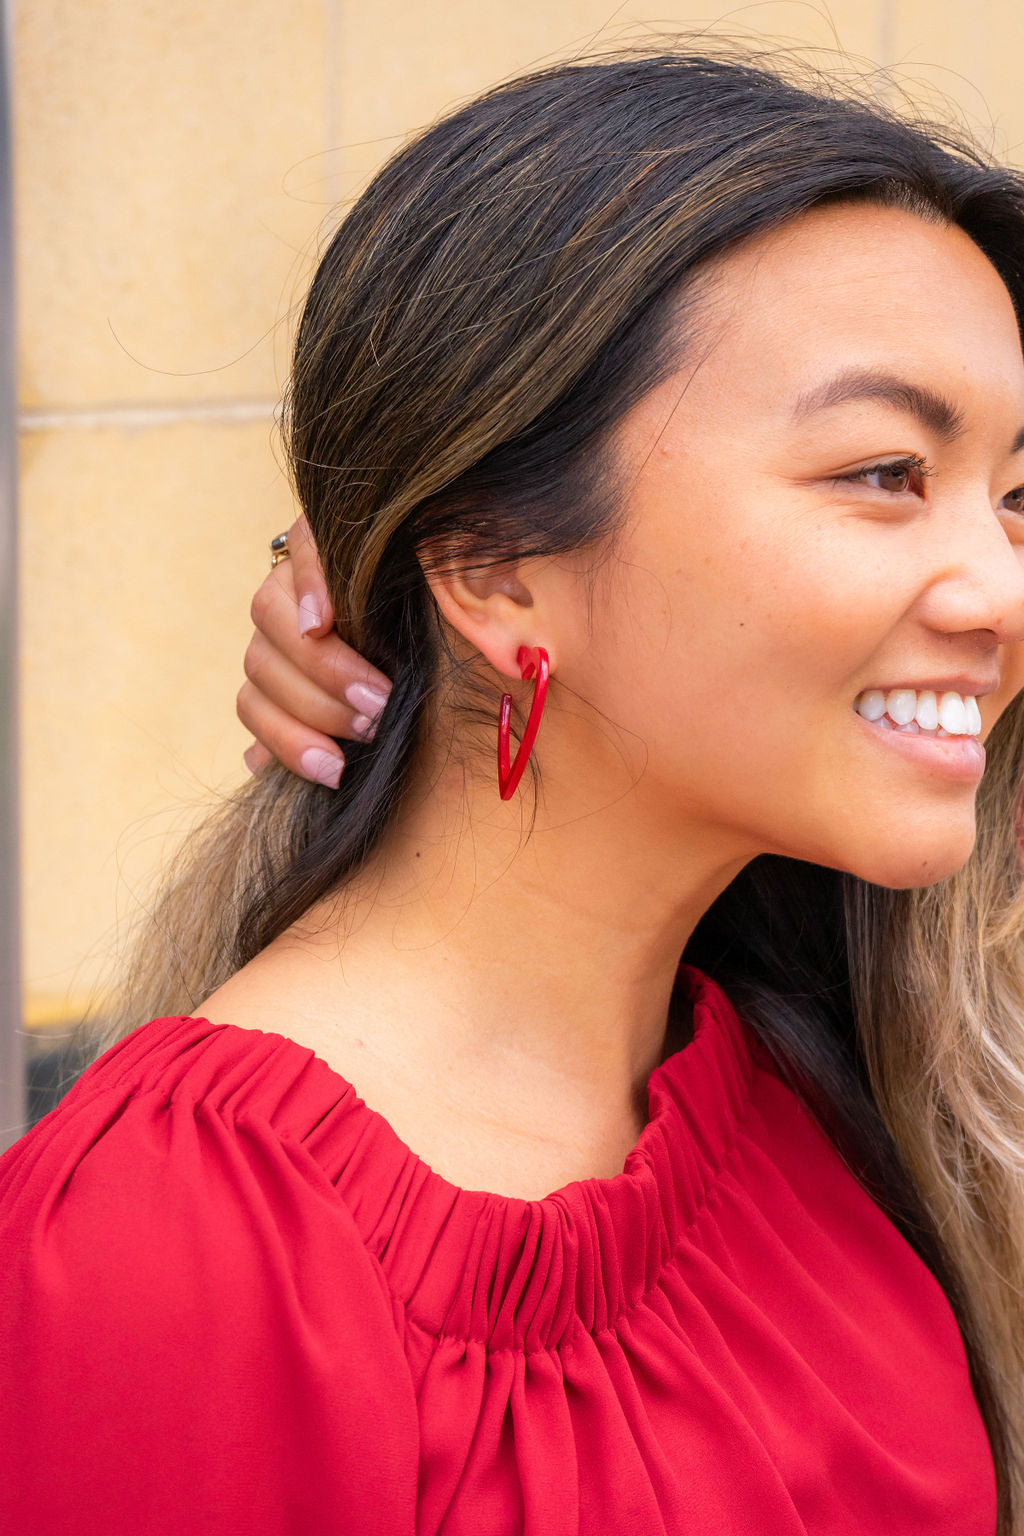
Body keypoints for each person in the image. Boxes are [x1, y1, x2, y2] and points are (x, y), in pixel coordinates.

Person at [3, 42, 1024, 1536]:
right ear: (488, 563)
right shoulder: (173, 1249)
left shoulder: (821, 1098)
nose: (1003, 589)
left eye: (1018, 497)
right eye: (883, 472)